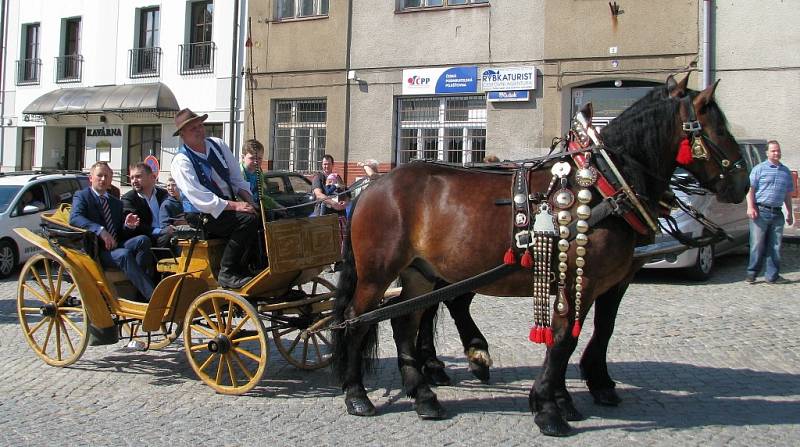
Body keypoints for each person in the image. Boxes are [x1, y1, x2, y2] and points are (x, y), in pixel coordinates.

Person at [170, 108, 258, 289]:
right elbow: (200, 198)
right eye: (192, 128)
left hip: (227, 205)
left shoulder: (217, 145)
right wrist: (236, 206)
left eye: (200, 125)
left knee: (266, 217)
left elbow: (236, 179)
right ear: (182, 134)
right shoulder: (181, 161)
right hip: (201, 212)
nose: (198, 130)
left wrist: (252, 203)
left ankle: (256, 266)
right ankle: (228, 272)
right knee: (247, 220)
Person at [70, 161, 155, 301]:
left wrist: (128, 226)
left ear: (111, 179)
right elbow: (75, 218)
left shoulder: (116, 202)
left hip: (116, 245)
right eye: (100, 176)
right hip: (98, 250)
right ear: (91, 178)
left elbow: (120, 232)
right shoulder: (82, 196)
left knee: (143, 240)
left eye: (107, 176)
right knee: (124, 254)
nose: (103, 179)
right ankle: (151, 296)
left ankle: (140, 292)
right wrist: (100, 230)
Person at [745, 140, 795, 284]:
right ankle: (752, 274)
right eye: (773, 151)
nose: (776, 153)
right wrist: (750, 207)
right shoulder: (759, 169)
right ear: (767, 153)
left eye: (778, 150)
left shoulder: (785, 171)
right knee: (757, 245)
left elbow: (787, 194)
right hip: (760, 211)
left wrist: (790, 213)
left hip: (777, 213)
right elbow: (751, 189)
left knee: (776, 246)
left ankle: (772, 276)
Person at [122, 163, 170, 246]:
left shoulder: (164, 194)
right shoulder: (128, 199)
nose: (134, 181)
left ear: (152, 177)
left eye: (138, 176)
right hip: (147, 239)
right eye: (132, 178)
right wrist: (160, 231)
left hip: (167, 233)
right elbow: (138, 226)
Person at [239, 139, 284, 216]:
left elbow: (261, 196)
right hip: (244, 209)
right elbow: (238, 195)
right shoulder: (238, 173)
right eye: (252, 158)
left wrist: (276, 205)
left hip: (257, 206)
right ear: (243, 157)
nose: (256, 162)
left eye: (259, 158)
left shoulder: (259, 173)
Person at [158, 177, 187, 250]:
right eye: (168, 185)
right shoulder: (166, 204)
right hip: (177, 237)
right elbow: (164, 226)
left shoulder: (187, 201)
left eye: (173, 185)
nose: (170, 188)